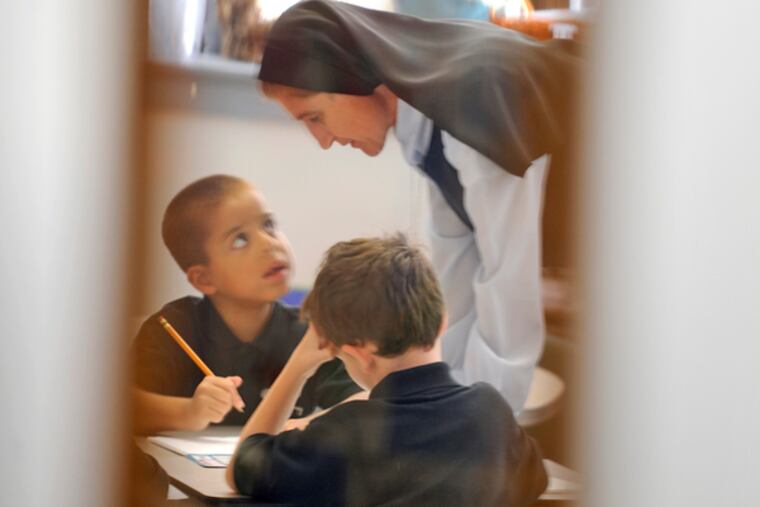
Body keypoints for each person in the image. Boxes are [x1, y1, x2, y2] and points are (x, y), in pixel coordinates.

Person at [256, 0, 580, 411]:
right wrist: (440, 408)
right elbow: (455, 283)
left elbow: (507, 284)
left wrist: (480, 432)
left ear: (350, 74)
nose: (323, 140)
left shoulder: (474, 98)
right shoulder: (427, 123)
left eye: (315, 117)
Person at [226, 234, 548, 507]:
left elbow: (241, 467)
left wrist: (298, 366)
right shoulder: (489, 413)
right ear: (442, 322)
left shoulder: (347, 433)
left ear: (357, 353)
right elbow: (536, 480)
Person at [132, 174, 360, 432]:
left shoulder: (310, 331)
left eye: (269, 225)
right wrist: (190, 412)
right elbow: (122, 407)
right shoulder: (173, 329)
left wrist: (303, 426)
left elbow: (363, 399)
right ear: (204, 278)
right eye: (240, 239)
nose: (269, 244)